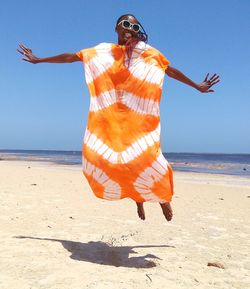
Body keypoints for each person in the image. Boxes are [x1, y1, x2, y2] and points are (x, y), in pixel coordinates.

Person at [17, 14, 220, 221]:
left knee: (147, 158)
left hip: (138, 121)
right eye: (125, 23)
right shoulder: (103, 52)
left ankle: (162, 199)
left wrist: (197, 86)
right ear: (116, 28)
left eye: (134, 25)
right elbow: (71, 57)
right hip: (111, 121)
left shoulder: (147, 54)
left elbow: (170, 71)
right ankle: (138, 200)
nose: (129, 27)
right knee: (110, 160)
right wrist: (39, 59)